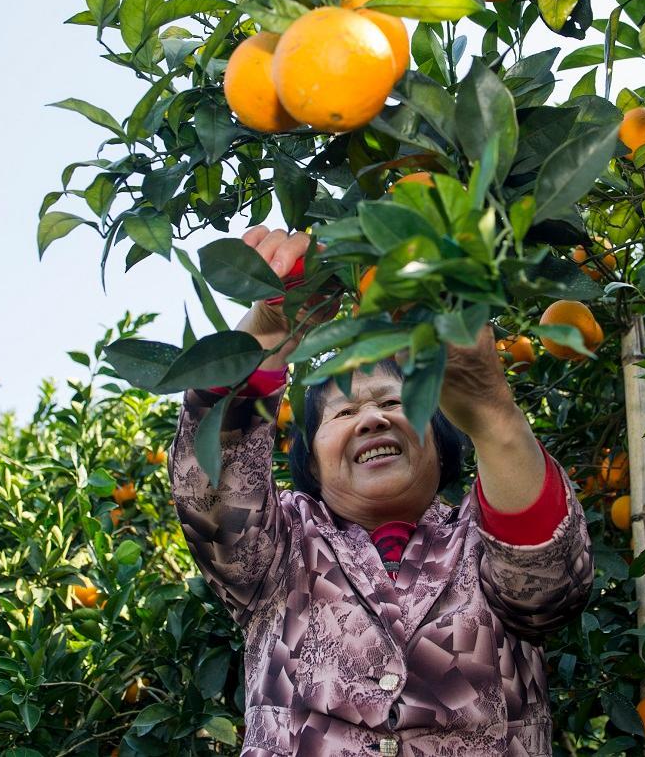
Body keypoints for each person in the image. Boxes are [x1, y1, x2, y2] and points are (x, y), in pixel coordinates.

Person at [169, 226, 594, 756]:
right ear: (312, 465)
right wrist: (269, 328)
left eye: (394, 404)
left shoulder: (481, 539)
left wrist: (493, 414)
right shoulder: (284, 550)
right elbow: (210, 492)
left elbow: (549, 589)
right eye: (343, 412)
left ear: (440, 441)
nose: (371, 419)